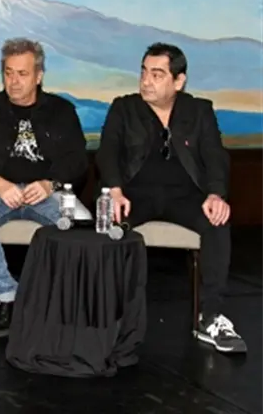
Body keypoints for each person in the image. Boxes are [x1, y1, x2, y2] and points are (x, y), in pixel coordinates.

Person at [97, 43, 246, 354]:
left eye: (157, 74)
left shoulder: (198, 110)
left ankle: (211, 316)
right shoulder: (124, 108)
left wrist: (216, 194)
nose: (146, 81)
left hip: (186, 197)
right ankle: (108, 316)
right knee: (109, 225)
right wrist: (115, 190)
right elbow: (107, 152)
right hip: (135, 195)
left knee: (217, 222)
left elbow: (215, 156)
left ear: (179, 81)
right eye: (143, 72)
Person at [0, 37, 91, 338]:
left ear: (39, 76)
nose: (14, 81)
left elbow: (77, 159)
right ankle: (6, 296)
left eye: (22, 74)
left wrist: (50, 183)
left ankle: (60, 302)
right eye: (8, 73)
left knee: (83, 224)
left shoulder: (61, 111)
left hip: (47, 191)